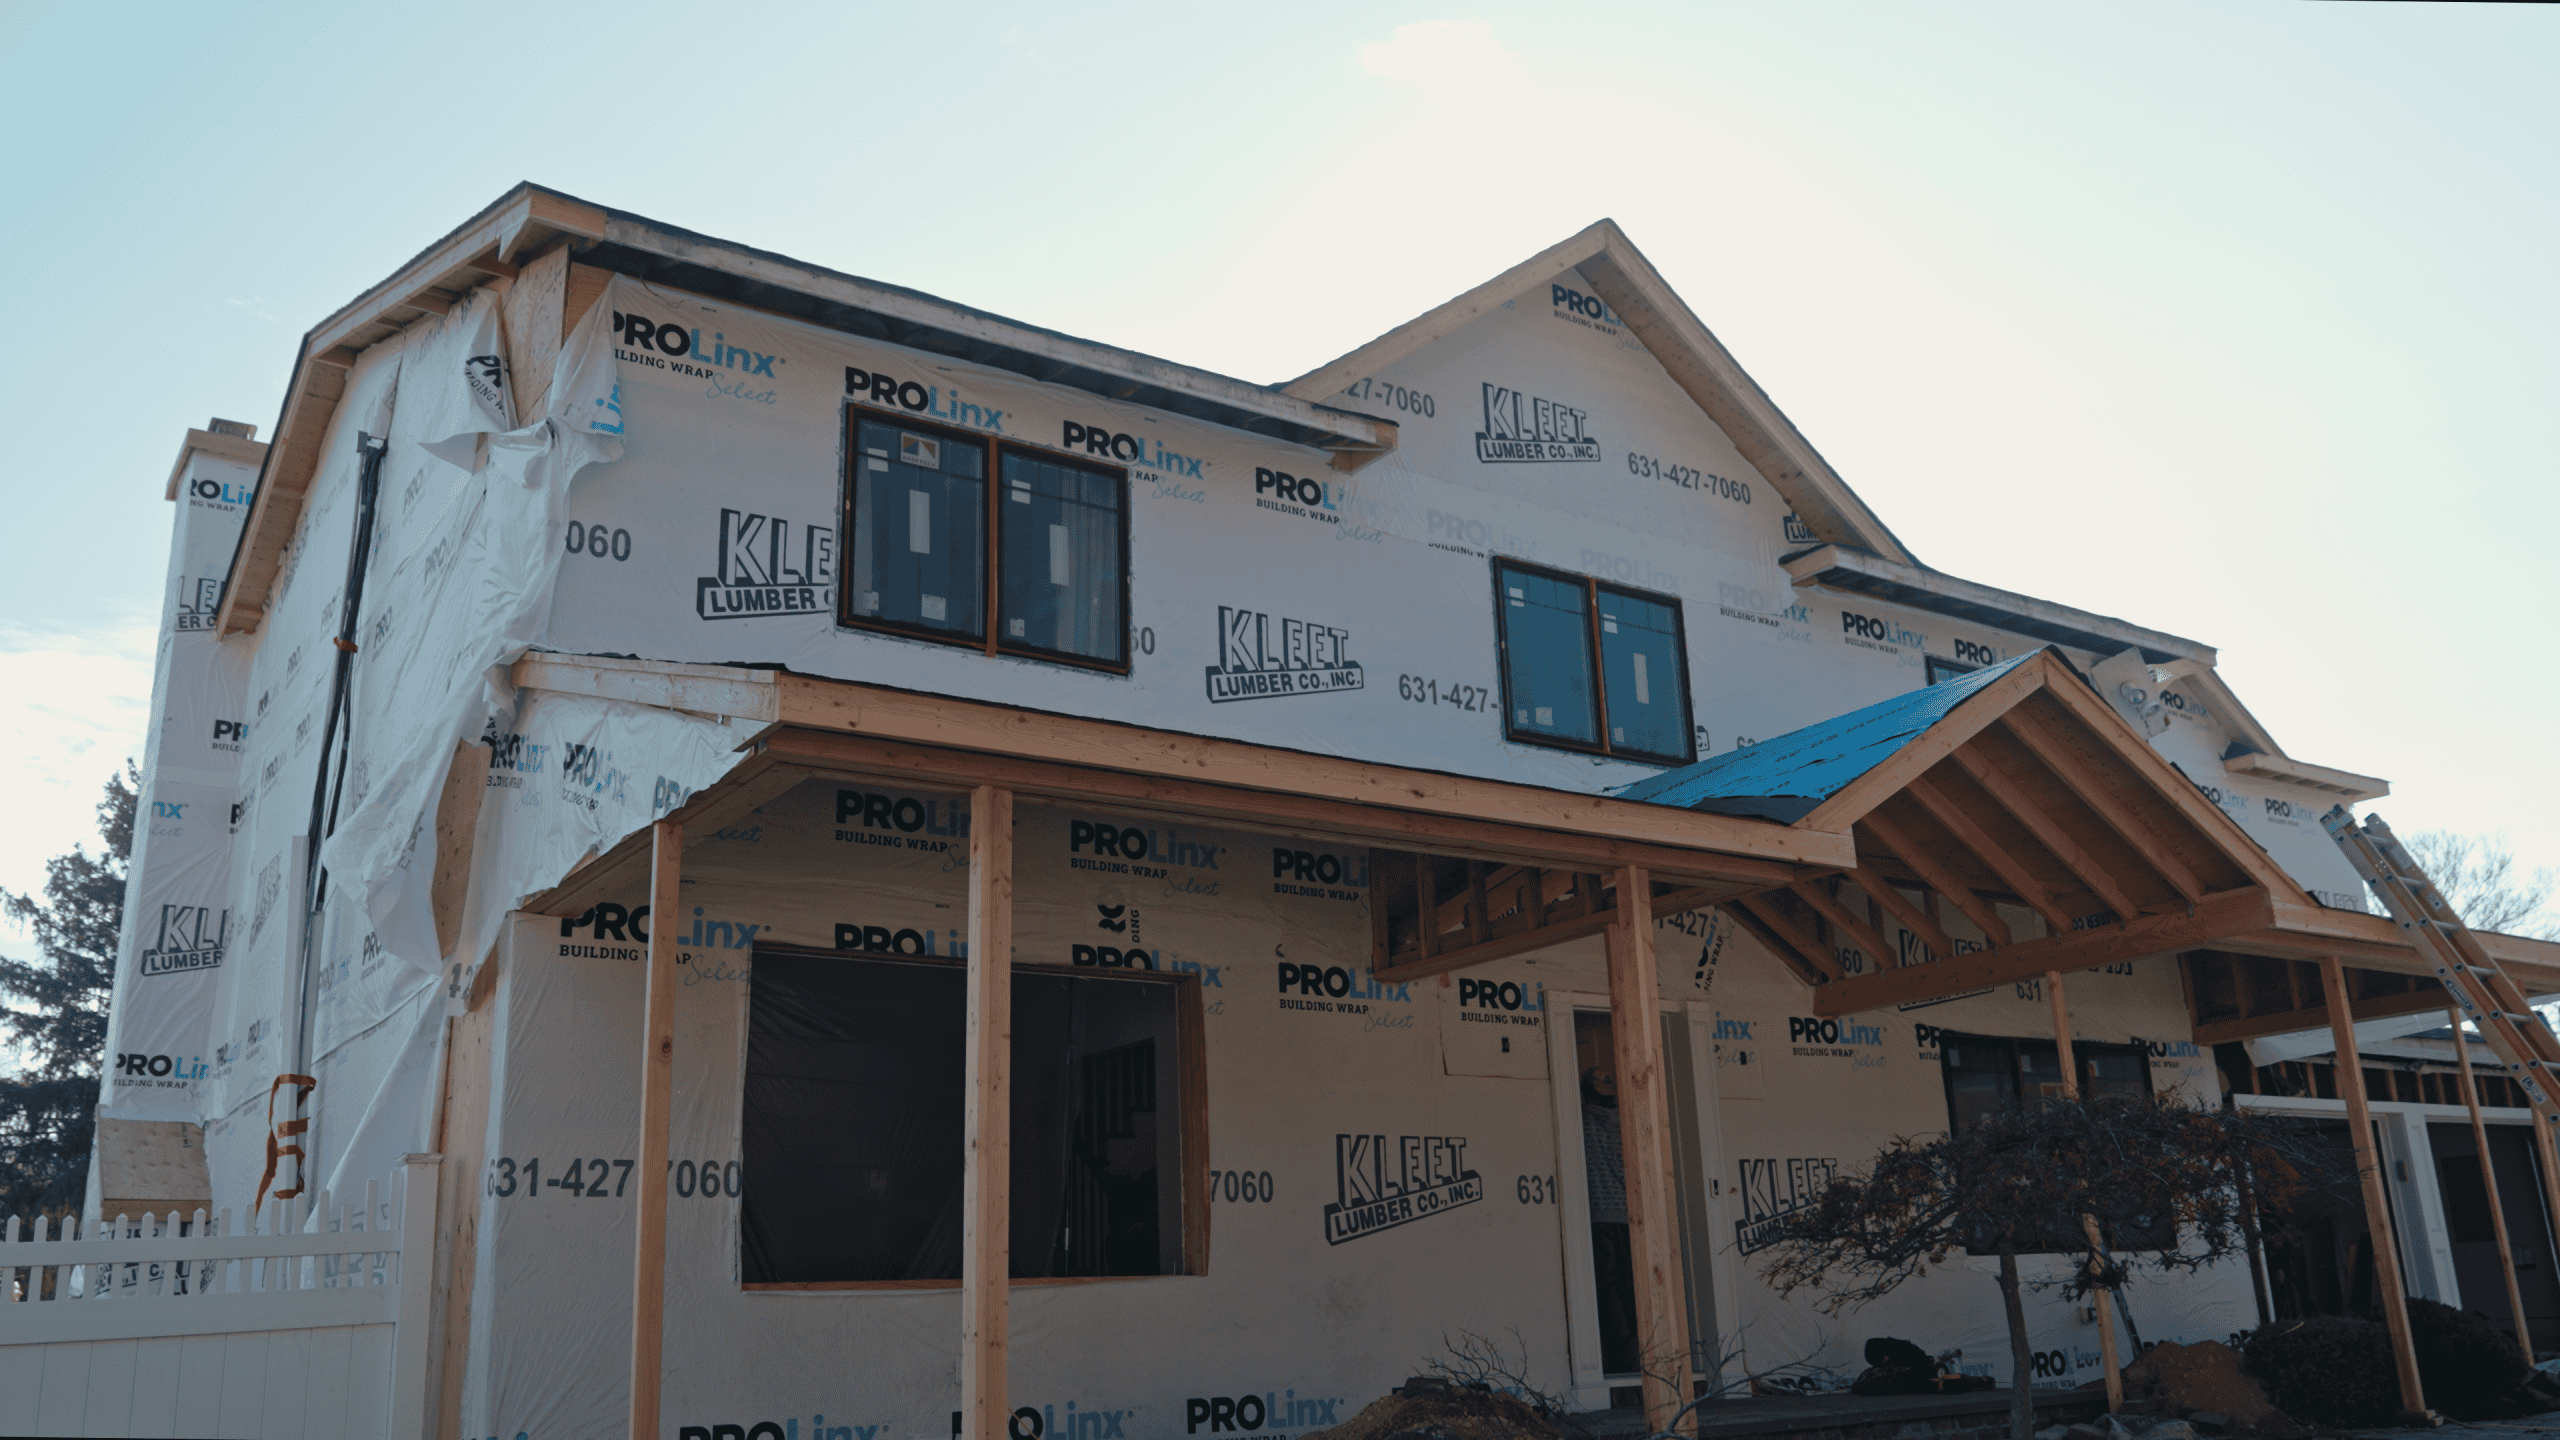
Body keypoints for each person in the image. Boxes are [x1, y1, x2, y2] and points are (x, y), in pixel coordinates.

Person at [1583, 1064, 1640, 1375]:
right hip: (1628, 1214)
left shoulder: (1579, 1120)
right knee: (1631, 1285)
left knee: (1607, 1286)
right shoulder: (1627, 1123)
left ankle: (1622, 1350)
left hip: (1597, 1215)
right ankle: (1637, 1350)